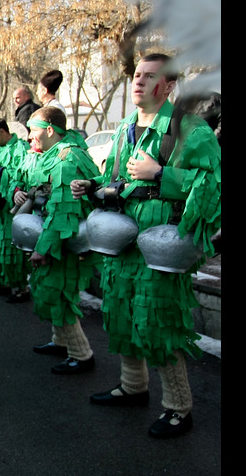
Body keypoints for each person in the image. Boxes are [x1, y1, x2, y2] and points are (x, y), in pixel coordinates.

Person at [70, 54, 221, 439]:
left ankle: (178, 408)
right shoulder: (124, 128)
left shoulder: (190, 129)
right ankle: (132, 386)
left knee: (159, 321)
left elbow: (213, 187)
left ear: (169, 86)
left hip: (162, 244)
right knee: (120, 311)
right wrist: (94, 187)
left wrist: (162, 174)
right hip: (123, 241)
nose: (138, 81)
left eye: (149, 76)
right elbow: (113, 177)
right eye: (136, 74)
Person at [14, 106, 100, 375]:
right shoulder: (52, 154)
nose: (29, 137)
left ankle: (81, 354)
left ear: (50, 130)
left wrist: (43, 249)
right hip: (55, 235)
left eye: (34, 130)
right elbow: (37, 187)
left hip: (63, 239)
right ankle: (61, 341)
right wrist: (20, 192)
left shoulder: (66, 159)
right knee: (53, 288)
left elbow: (63, 211)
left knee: (58, 293)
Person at [0, 118, 32, 303]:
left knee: (12, 250)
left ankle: (21, 288)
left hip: (11, 208)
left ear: (3, 131)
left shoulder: (22, 148)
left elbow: (23, 173)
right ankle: (1, 283)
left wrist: (1, 172)